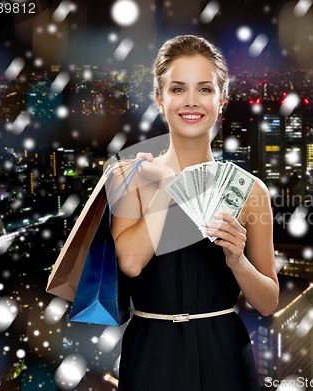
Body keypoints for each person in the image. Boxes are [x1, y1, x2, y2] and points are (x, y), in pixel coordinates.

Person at [110, 34, 279, 391]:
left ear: (222, 101)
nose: (191, 102)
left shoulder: (250, 191)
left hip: (224, 354)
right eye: (177, 89)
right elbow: (130, 263)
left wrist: (238, 262)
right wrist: (167, 185)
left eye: (204, 89)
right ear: (159, 99)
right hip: (151, 353)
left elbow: (267, 302)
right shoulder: (131, 177)